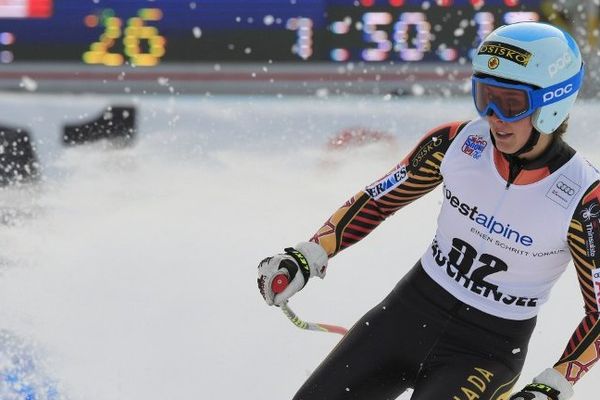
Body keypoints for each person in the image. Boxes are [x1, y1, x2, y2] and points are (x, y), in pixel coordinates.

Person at [257, 21, 598, 400]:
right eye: (484, 95)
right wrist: (310, 253)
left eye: (511, 103)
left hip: (488, 350)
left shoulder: (585, 198)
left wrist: (556, 383)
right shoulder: (454, 142)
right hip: (407, 313)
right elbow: (377, 199)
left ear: (552, 104)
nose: (493, 116)